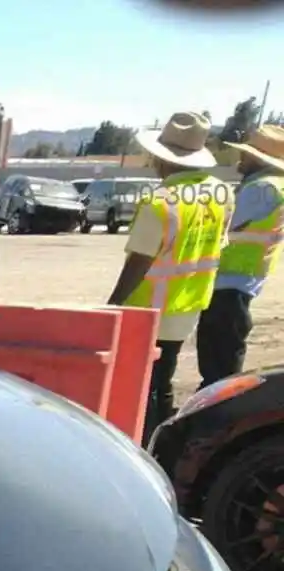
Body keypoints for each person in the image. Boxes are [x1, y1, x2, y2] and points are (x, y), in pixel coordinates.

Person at [105, 112, 231, 442]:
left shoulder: (161, 201)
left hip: (149, 309)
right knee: (163, 381)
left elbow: (140, 262)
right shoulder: (221, 194)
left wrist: (113, 304)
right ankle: (164, 442)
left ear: (162, 159)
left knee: (140, 385)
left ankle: (146, 446)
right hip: (189, 303)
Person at [197, 123, 284, 386]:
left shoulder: (261, 188)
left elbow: (226, 226)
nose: (240, 158)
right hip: (243, 279)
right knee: (223, 359)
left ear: (258, 158)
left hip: (230, 282)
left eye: (246, 154)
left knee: (218, 369)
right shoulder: (274, 184)